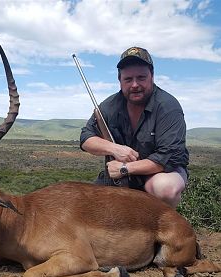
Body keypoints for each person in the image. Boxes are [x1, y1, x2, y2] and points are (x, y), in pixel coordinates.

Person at [80, 47, 189, 208]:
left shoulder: (168, 107)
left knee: (164, 188)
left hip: (159, 173)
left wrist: (125, 168)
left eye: (141, 78)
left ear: (152, 76)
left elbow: (167, 158)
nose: (135, 85)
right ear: (120, 80)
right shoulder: (109, 106)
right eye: (128, 79)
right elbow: (86, 138)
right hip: (119, 176)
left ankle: (162, 229)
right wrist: (113, 148)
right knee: (83, 205)